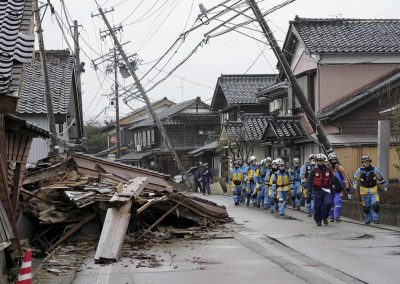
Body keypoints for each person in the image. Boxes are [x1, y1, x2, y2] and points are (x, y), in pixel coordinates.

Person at [353, 155, 387, 225]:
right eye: (364, 163)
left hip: (374, 190)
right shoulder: (360, 170)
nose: (365, 164)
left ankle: (376, 219)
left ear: (369, 162)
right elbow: (355, 179)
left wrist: (384, 185)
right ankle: (367, 219)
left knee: (375, 205)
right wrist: (355, 185)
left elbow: (380, 178)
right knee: (366, 207)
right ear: (362, 163)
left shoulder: (375, 169)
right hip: (364, 191)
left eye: (367, 163)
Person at [307, 153, 334, 226]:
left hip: (326, 190)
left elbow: (332, 179)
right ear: (316, 161)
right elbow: (309, 180)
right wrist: (309, 191)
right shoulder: (313, 170)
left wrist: (334, 188)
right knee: (317, 206)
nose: (320, 162)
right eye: (319, 161)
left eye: (322, 161)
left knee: (328, 204)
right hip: (317, 190)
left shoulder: (328, 170)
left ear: (324, 161)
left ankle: (325, 217)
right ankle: (318, 220)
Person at [327, 153, 348, 222]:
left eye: (334, 160)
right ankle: (331, 216)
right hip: (329, 189)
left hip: (338, 189)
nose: (333, 161)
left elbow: (344, 178)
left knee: (338, 202)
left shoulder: (340, 168)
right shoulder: (326, 168)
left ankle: (337, 216)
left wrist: (346, 187)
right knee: (330, 203)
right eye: (331, 160)